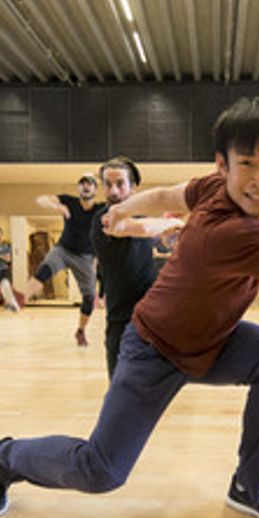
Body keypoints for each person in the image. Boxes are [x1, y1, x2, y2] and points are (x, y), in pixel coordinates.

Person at [0, 97, 259, 518]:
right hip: (154, 349)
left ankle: (251, 486)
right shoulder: (231, 234)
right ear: (222, 166)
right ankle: (3, 458)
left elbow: (164, 195)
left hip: (211, 342)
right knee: (101, 470)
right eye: (246, 163)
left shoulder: (212, 189)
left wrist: (125, 207)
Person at [90, 156, 183, 378]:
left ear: (133, 187)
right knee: (120, 389)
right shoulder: (103, 218)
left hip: (151, 317)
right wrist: (172, 223)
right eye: (108, 184)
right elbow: (139, 229)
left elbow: (161, 240)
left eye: (120, 183)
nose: (113, 191)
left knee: (150, 386)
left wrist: (173, 235)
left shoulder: (143, 218)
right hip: (122, 320)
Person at [20, 175, 101, 345]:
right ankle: (22, 298)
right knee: (45, 269)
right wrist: (56, 206)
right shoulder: (68, 201)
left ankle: (81, 331)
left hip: (85, 258)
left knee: (88, 298)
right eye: (82, 184)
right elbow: (41, 199)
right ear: (78, 189)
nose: (86, 187)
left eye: (90, 184)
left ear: (95, 190)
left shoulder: (100, 210)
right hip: (63, 249)